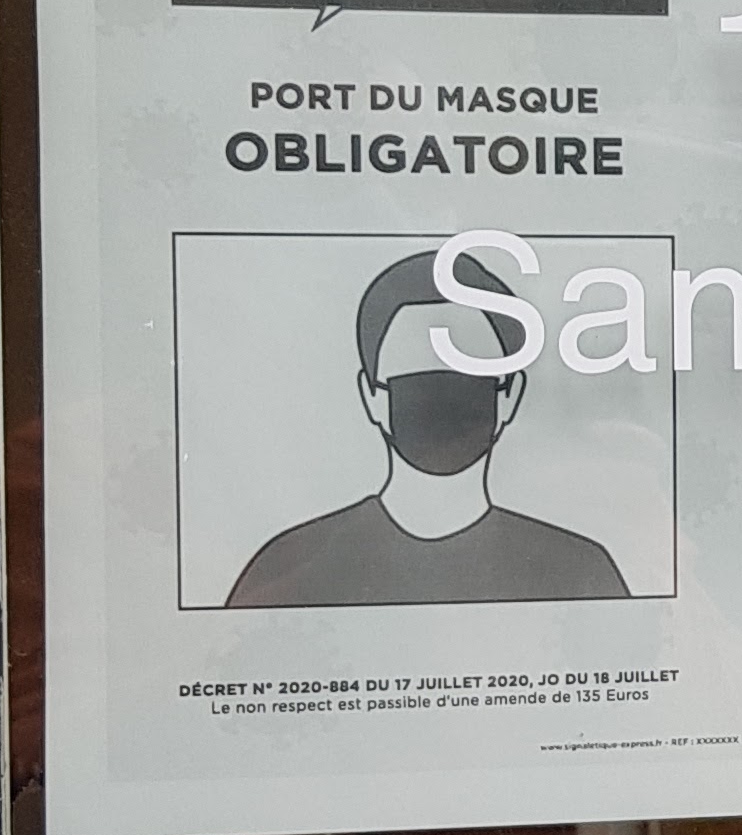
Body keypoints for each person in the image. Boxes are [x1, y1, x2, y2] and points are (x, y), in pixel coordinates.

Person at [227, 247, 631, 606]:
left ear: (509, 395)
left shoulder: (579, 572)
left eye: (466, 381)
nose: (441, 406)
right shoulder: (289, 573)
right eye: (417, 387)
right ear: (372, 397)